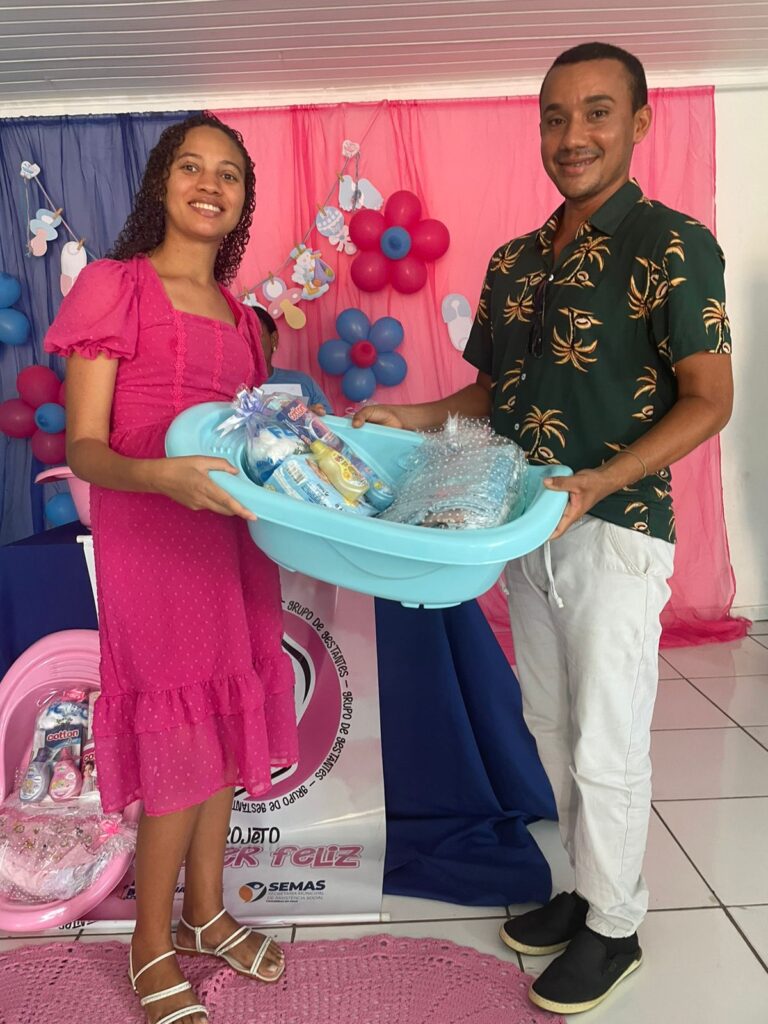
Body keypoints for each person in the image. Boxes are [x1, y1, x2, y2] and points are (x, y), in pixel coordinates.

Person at [353, 42, 733, 1015]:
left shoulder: (674, 244)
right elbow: (493, 394)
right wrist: (408, 415)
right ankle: (586, 891)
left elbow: (710, 397)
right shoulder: (514, 262)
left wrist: (602, 480)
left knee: (608, 737)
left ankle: (618, 926)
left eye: (597, 112)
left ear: (638, 123)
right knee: (553, 726)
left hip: (617, 523)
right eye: (556, 117)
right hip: (522, 526)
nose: (574, 135)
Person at [45, 113, 299, 1024]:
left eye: (229, 173)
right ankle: (150, 940)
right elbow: (85, 448)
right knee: (181, 745)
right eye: (192, 166)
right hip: (152, 542)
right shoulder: (114, 286)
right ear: (162, 182)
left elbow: (248, 443)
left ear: (243, 200)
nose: (209, 184)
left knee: (225, 726)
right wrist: (163, 476)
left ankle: (206, 913)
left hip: (234, 544)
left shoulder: (246, 319)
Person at [252, 304, 333, 414]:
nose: (247, 342)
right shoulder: (228, 389)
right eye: (240, 336)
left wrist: (313, 418)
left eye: (254, 334)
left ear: (274, 339)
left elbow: (331, 423)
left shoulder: (303, 382)